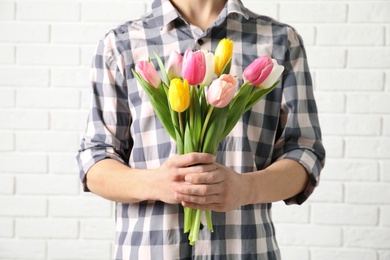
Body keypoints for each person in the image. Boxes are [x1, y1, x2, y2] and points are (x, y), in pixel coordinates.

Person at [76, 0, 326, 259]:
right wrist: (155, 183)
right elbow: (95, 159)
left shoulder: (280, 41)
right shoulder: (122, 44)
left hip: (244, 251)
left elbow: (304, 152)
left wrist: (245, 188)